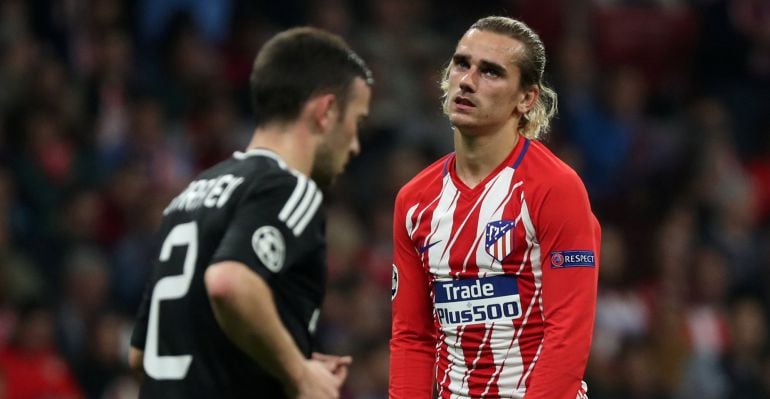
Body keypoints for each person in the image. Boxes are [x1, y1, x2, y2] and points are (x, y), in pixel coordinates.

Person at [128, 27, 373, 399]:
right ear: (325, 112)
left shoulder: (189, 196)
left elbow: (141, 354)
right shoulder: (290, 188)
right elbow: (230, 282)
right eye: (355, 122)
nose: (354, 145)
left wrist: (285, 360)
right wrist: (299, 374)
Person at [389, 16, 600, 399]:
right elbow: (412, 338)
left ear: (526, 98)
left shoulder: (555, 189)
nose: (467, 81)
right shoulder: (414, 201)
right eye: (461, 64)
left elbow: (567, 336)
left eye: (491, 72)